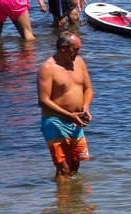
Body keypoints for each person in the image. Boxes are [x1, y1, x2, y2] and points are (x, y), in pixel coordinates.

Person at [37, 32, 93, 181]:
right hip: (55, 121)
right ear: (63, 48)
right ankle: (62, 202)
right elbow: (43, 100)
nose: (78, 53)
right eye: (75, 49)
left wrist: (86, 108)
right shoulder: (48, 68)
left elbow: (88, 89)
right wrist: (69, 115)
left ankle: (74, 202)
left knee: (75, 166)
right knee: (63, 168)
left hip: (76, 122)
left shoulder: (80, 62)